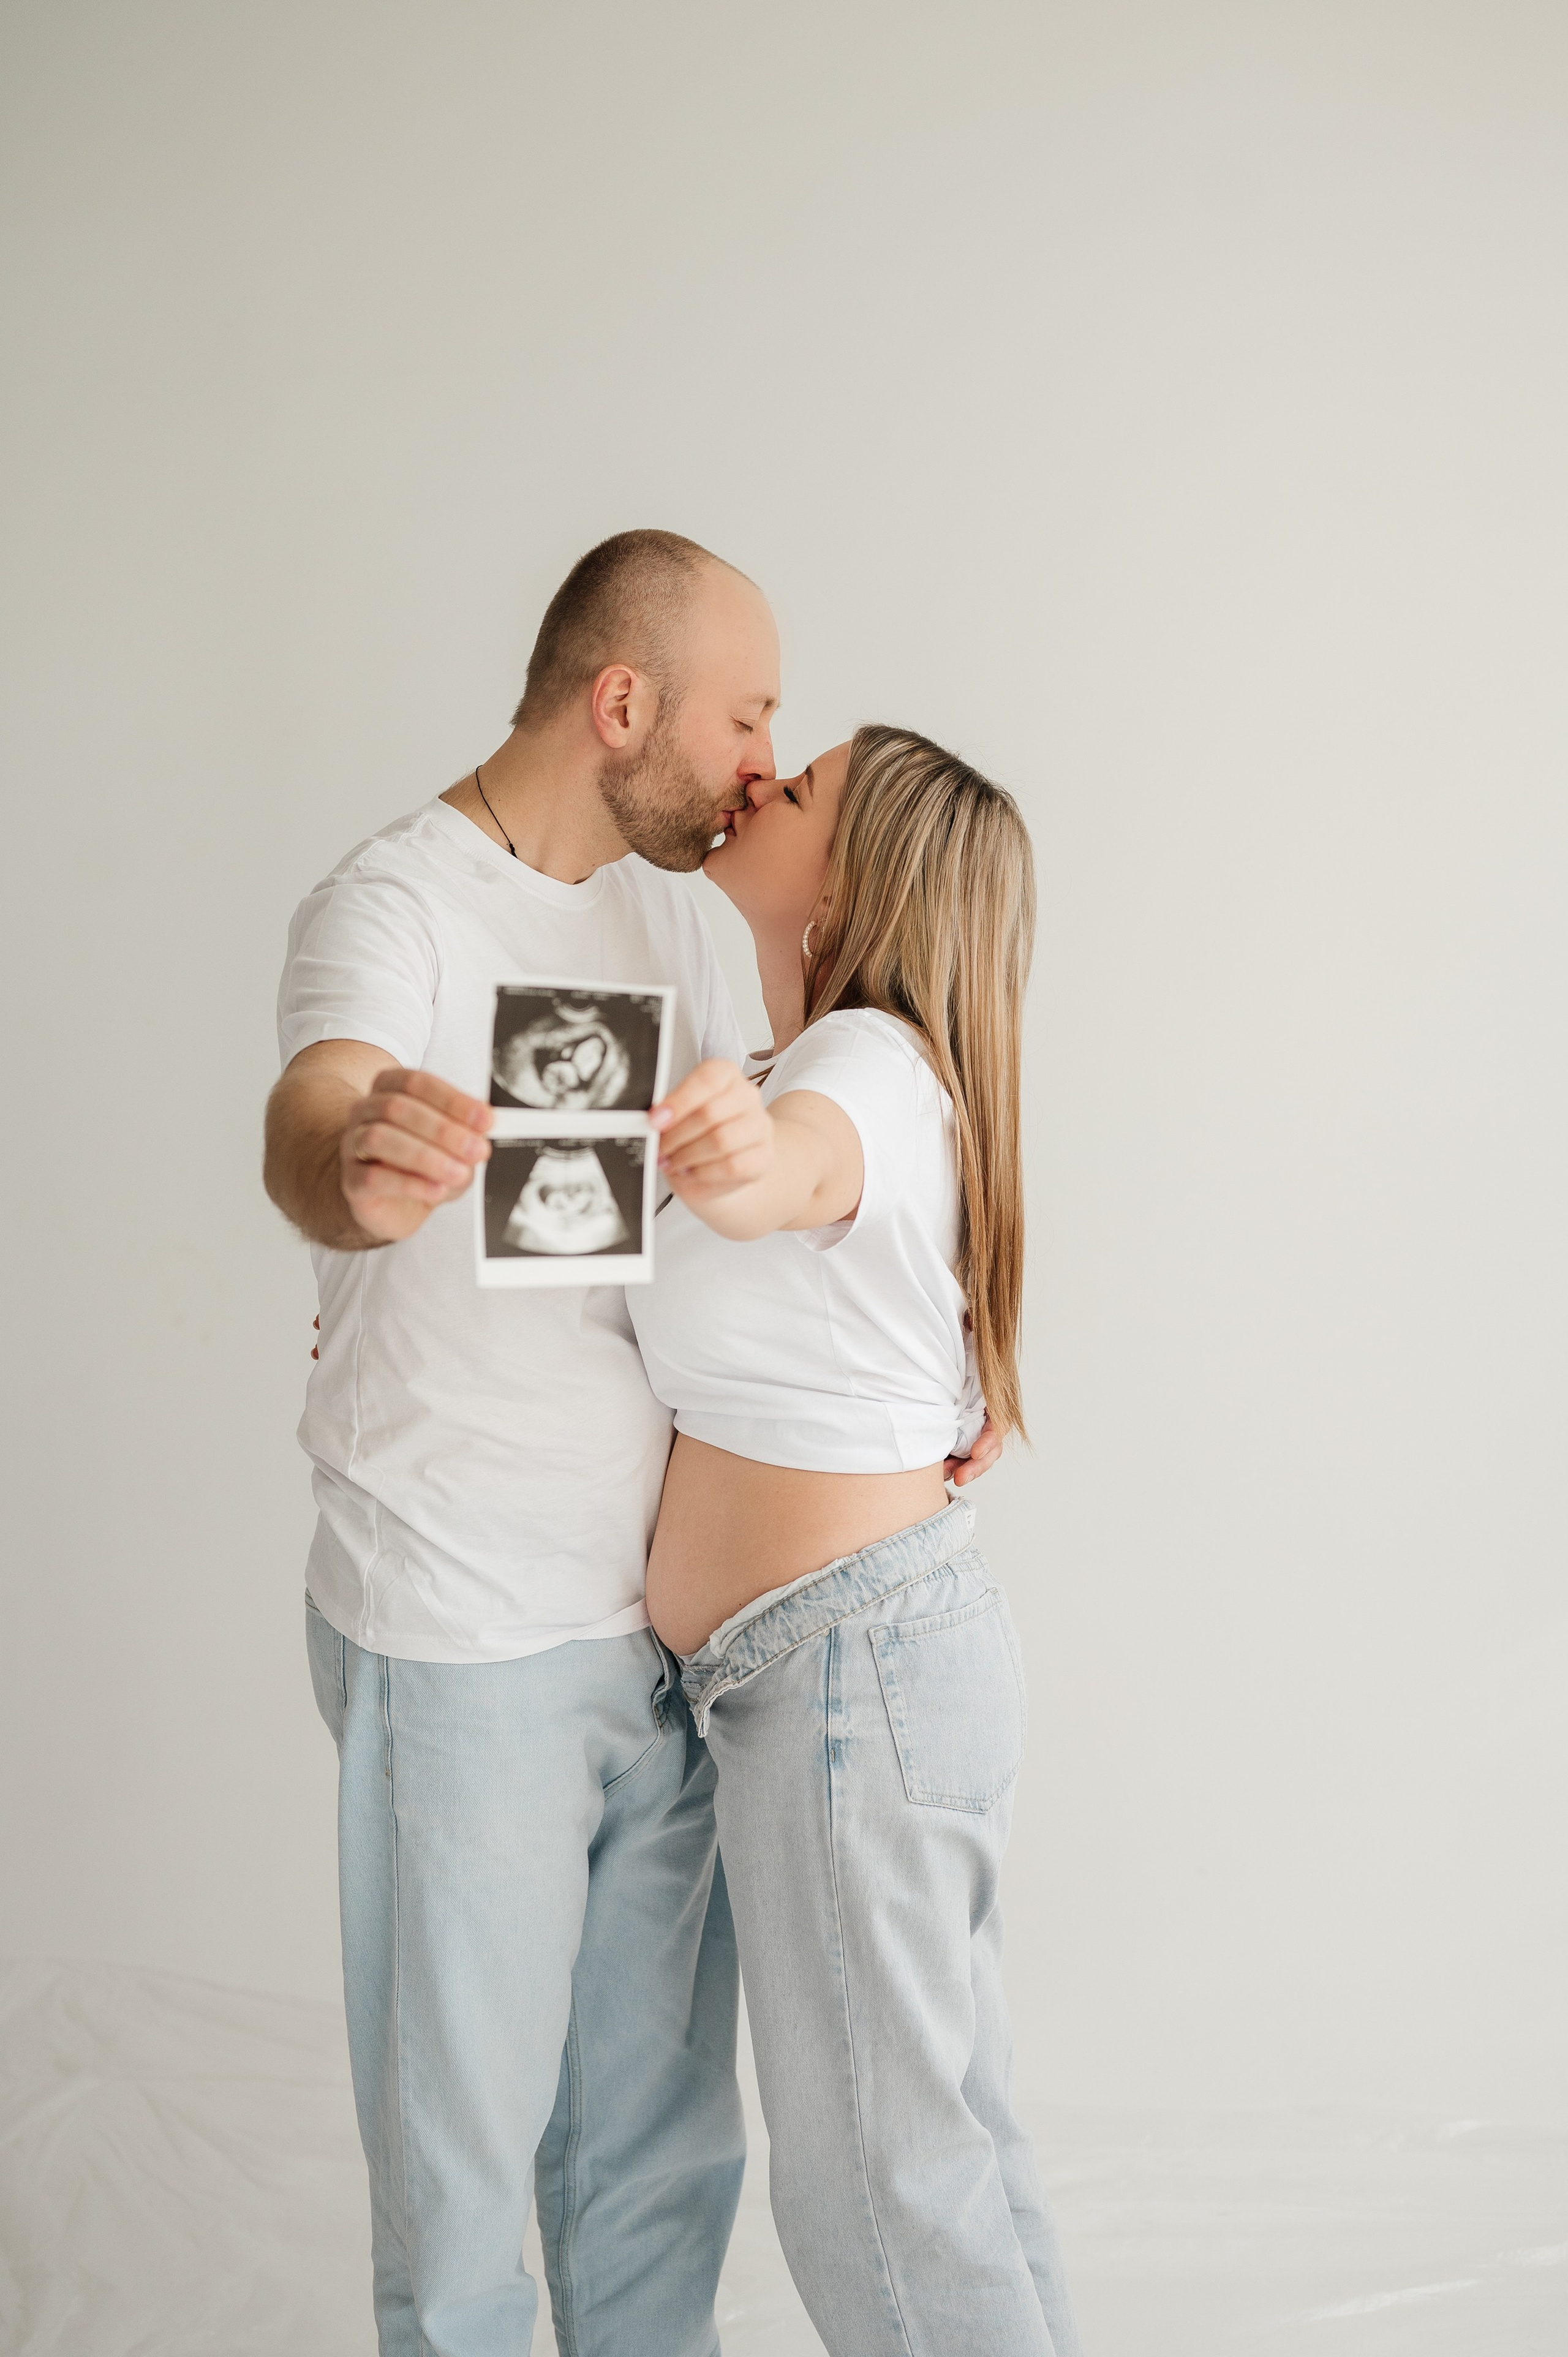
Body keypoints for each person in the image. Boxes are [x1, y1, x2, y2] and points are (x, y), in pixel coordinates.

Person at [265, 529, 791, 2357]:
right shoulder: (393, 904)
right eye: (748, 713)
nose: (763, 762)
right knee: (465, 2192)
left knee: (652, 2168)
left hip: (658, 1635)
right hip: (459, 1628)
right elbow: (318, 1109)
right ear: (621, 702)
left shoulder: (683, 922)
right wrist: (356, 1158)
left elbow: (773, 1208)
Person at [631, 726, 1085, 2356]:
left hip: (845, 1688)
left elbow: (804, 1178)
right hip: (869, 1677)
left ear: (854, 877)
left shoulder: (852, 1077)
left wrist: (748, 1172)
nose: (760, 783)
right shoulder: (832, 1064)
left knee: (880, 2190)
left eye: (798, 787)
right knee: (946, 2150)